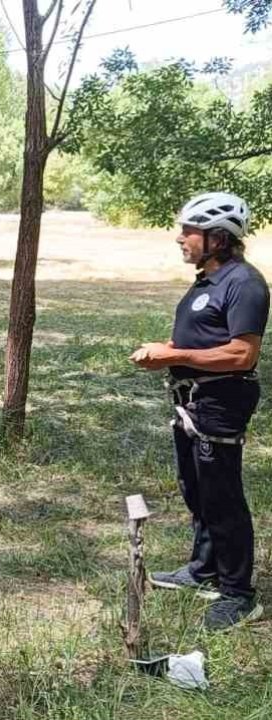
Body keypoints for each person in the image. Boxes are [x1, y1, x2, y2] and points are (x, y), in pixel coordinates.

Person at [133, 191, 268, 631]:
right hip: (192, 400)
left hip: (220, 403)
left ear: (217, 237)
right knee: (197, 489)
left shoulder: (244, 284)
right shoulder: (207, 280)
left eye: (188, 231)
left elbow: (241, 355)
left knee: (223, 497)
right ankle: (204, 568)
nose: (179, 239)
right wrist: (168, 351)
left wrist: (177, 355)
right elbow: (206, 339)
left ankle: (237, 593)